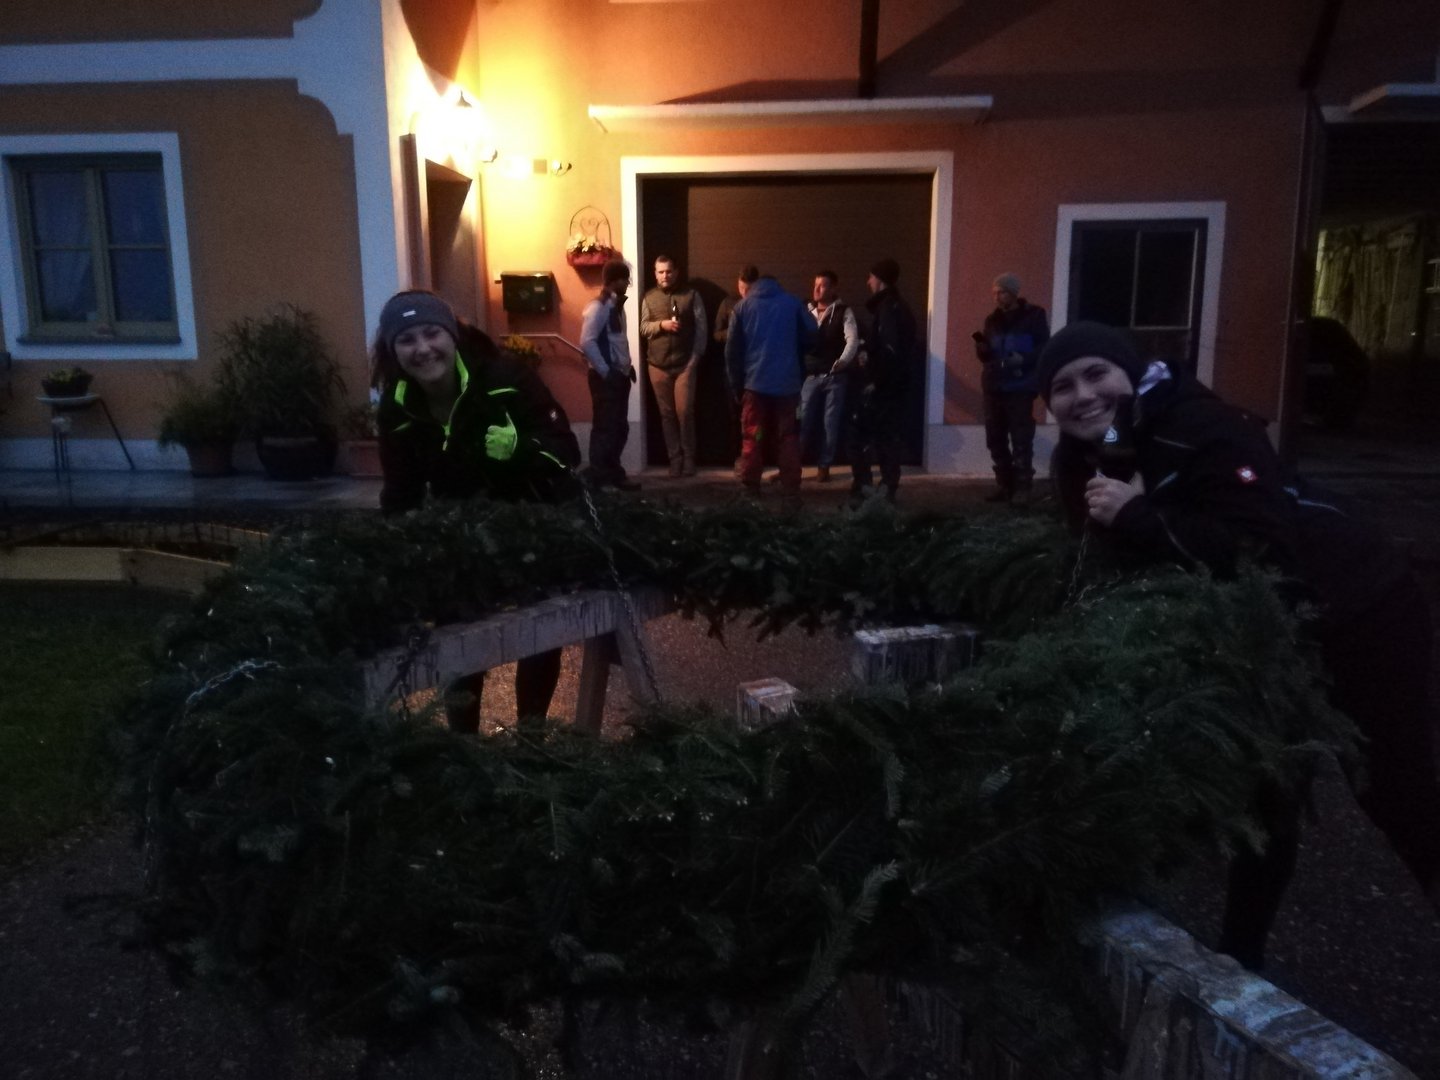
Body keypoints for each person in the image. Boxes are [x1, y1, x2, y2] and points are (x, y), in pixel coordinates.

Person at [1038, 320, 1440, 969]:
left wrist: (1141, 516)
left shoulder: (1201, 427)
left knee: (1391, 787)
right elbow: (1109, 547)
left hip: (1359, 606)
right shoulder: (1099, 447)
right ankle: (1240, 961)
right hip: (1267, 631)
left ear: (1128, 372)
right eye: (1063, 387)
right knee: (1267, 785)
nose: (1083, 395)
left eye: (1096, 374)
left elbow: (1263, 551)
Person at [372, 289, 581, 730]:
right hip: (462, 538)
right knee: (458, 635)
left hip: (533, 526)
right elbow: (401, 494)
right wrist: (395, 553)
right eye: (407, 339)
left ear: (452, 334)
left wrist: (520, 450)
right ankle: (464, 745)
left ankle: (532, 737)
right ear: (392, 350)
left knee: (538, 634)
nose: (423, 348)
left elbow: (566, 451)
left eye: (432, 333)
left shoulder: (505, 379)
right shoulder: (397, 407)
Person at [724, 273, 816, 496]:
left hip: (754, 386)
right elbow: (813, 336)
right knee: (788, 436)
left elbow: (732, 353)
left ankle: (751, 488)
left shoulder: (742, 307)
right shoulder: (793, 304)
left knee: (754, 435)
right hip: (788, 386)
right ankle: (791, 490)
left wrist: (737, 387)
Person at [976, 272, 1050, 503]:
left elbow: (1043, 347)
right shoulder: (992, 320)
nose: (997, 297)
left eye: (1002, 292)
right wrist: (982, 349)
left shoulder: (1034, 316)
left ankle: (1023, 487)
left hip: (1020, 386)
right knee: (995, 438)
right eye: (994, 293)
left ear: (1014, 293)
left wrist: (1024, 360)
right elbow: (987, 355)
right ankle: (1005, 484)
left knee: (1021, 438)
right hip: (994, 385)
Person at [850, 258, 917, 505]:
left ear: (879, 279)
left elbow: (891, 350)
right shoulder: (896, 307)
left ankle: (867, 489)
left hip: (885, 387)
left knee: (861, 436)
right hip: (893, 386)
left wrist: (875, 381)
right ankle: (884, 490)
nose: (868, 281)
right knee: (886, 438)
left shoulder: (888, 309)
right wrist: (869, 353)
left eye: (871, 276)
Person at [640, 255, 708, 477]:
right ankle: (675, 460)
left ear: (676, 272)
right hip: (657, 365)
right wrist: (662, 325)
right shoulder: (649, 297)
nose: (665, 276)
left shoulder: (691, 295)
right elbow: (643, 328)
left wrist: (694, 359)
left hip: (684, 365)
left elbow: (702, 330)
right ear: (655, 273)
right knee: (666, 415)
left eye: (668, 271)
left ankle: (689, 459)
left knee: (685, 413)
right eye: (660, 272)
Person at [579, 259, 641, 491]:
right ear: (615, 280)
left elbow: (617, 342)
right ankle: (600, 479)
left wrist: (627, 367)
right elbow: (587, 342)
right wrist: (607, 372)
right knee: (605, 428)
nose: (627, 283)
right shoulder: (599, 306)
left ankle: (614, 474)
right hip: (606, 380)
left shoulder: (616, 307)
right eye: (625, 279)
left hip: (618, 377)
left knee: (618, 428)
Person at [800, 270, 860, 483]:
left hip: (835, 378)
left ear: (834, 288)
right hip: (809, 376)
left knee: (830, 424)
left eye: (823, 285)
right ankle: (792, 466)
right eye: (815, 284)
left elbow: (852, 339)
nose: (817, 289)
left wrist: (843, 361)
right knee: (802, 421)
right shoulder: (805, 310)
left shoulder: (844, 311)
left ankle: (824, 467)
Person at [713, 264, 758, 346]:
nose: (744, 292)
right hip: (734, 350)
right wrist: (732, 332)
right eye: (741, 287)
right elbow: (717, 334)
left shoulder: (762, 304)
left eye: (748, 289)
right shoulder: (729, 303)